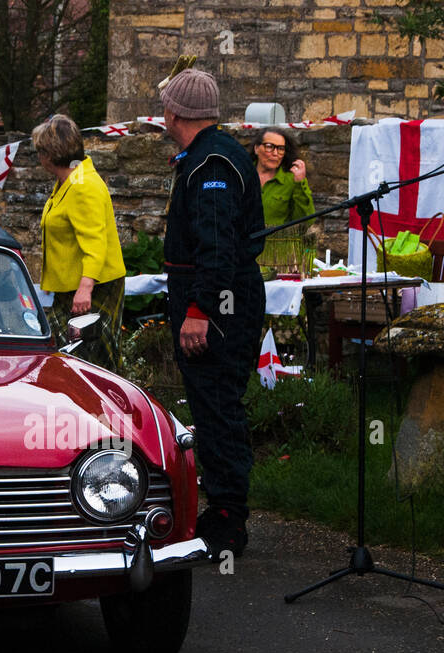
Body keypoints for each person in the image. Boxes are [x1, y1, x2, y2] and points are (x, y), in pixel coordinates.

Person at [159, 68, 265, 559]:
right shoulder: (207, 156)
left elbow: (218, 247)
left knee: (219, 405)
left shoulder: (213, 164)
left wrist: (200, 309)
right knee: (212, 404)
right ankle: (222, 507)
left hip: (219, 303)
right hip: (217, 296)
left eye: (165, 106)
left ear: (175, 112)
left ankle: (228, 518)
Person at [33, 113, 126, 372]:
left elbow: (96, 241)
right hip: (74, 289)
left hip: (94, 290)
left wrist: (85, 287)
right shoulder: (68, 182)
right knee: (73, 362)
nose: (38, 157)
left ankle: (108, 412)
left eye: (40, 151)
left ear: (50, 154)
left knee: (93, 365)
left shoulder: (83, 186)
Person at [252, 126, 314, 230]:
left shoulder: (291, 180)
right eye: (269, 146)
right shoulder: (241, 175)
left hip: (275, 243)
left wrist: (300, 183)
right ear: (257, 148)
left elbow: (307, 221)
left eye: (280, 149)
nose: (275, 153)